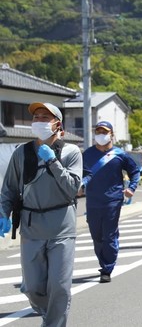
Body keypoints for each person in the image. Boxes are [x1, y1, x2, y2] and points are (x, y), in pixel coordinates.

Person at [0, 102, 82, 326]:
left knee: (60, 286)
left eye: (45, 117)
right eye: (36, 117)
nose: (39, 121)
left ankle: (54, 322)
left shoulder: (71, 152)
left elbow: (72, 188)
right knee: (34, 288)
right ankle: (51, 314)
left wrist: (53, 161)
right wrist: (3, 213)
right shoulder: (22, 152)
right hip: (32, 227)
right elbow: (9, 189)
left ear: (57, 124)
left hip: (62, 229)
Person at [81, 121, 141, 283]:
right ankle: (104, 262)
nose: (101, 134)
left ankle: (107, 267)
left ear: (112, 135)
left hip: (113, 200)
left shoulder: (120, 154)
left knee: (109, 234)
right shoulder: (87, 154)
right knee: (96, 236)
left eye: (104, 131)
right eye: (98, 131)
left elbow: (135, 172)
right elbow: (79, 174)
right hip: (93, 201)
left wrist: (132, 188)